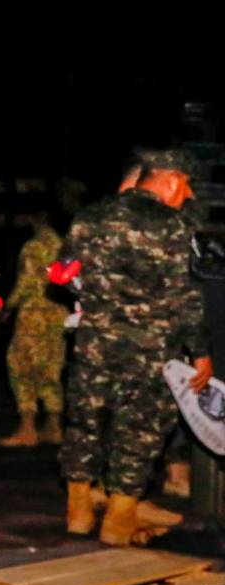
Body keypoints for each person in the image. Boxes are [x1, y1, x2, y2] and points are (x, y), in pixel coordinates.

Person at [60, 151, 212, 545]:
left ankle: (78, 510)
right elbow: (185, 299)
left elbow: (64, 274)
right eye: (187, 186)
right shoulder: (171, 225)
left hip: (94, 341)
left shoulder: (89, 217)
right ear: (172, 181)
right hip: (149, 348)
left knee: (85, 422)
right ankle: (118, 520)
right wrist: (200, 353)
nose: (189, 195)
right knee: (139, 429)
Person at [0, 213, 67, 447]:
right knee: (51, 368)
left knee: (21, 366)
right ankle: (54, 425)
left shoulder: (35, 245)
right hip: (59, 313)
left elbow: (26, 281)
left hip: (35, 313)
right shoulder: (65, 244)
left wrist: (9, 306)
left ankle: (27, 428)